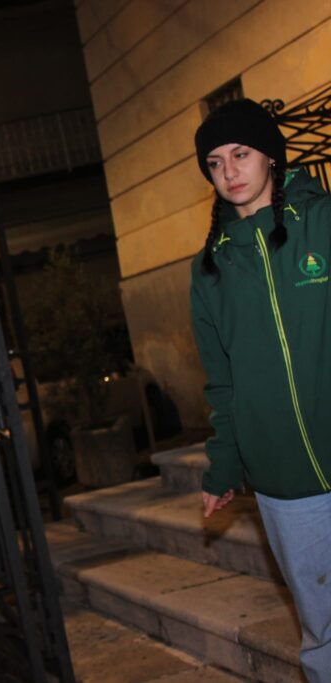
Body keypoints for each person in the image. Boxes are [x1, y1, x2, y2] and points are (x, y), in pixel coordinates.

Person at [191, 98, 331, 681]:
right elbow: (220, 381)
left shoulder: (322, 221)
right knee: (322, 627)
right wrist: (222, 467)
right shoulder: (210, 270)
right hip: (284, 483)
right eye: (216, 163)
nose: (230, 172)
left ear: (271, 156)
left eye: (241, 154)